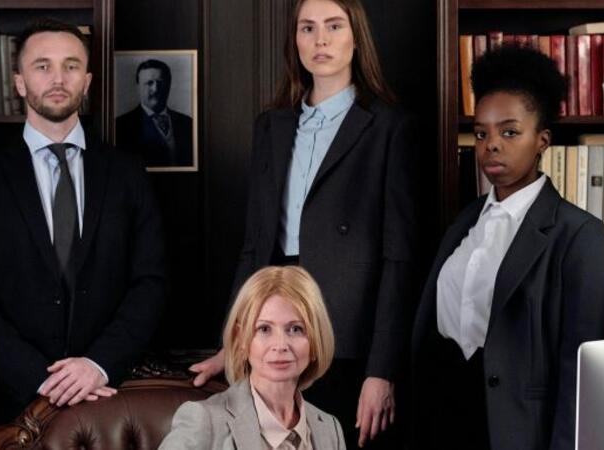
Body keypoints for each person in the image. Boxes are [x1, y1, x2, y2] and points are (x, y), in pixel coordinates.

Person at [188, 0, 418, 447]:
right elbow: (255, 247)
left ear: (357, 37)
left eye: (334, 26)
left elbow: (399, 260)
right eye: (307, 28)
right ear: (294, 40)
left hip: (349, 338)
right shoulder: (271, 126)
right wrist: (233, 342)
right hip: (275, 329)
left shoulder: (390, 127)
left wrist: (381, 370)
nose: (320, 40)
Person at [0, 17, 165, 432]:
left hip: (110, 395)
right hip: (10, 401)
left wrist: (97, 364)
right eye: (42, 66)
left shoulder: (127, 172)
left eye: (71, 66)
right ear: (19, 82)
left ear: (87, 82)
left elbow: (151, 281)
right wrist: (42, 380)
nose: (57, 78)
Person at [409, 45, 604, 449]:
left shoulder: (579, 234)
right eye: (481, 133)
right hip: (442, 414)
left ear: (542, 140)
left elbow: (579, 370)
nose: (492, 145)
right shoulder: (464, 222)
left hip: (517, 428)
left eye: (509, 132)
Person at [160, 266, 345, 450]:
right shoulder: (204, 420)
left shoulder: (330, 429)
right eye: (264, 329)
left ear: (316, 339)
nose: (280, 345)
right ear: (241, 338)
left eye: (296, 329)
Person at [116, 58, 194, 166]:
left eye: (160, 83)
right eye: (149, 83)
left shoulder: (188, 123)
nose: (155, 89)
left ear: (169, 85)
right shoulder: (121, 126)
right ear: (138, 87)